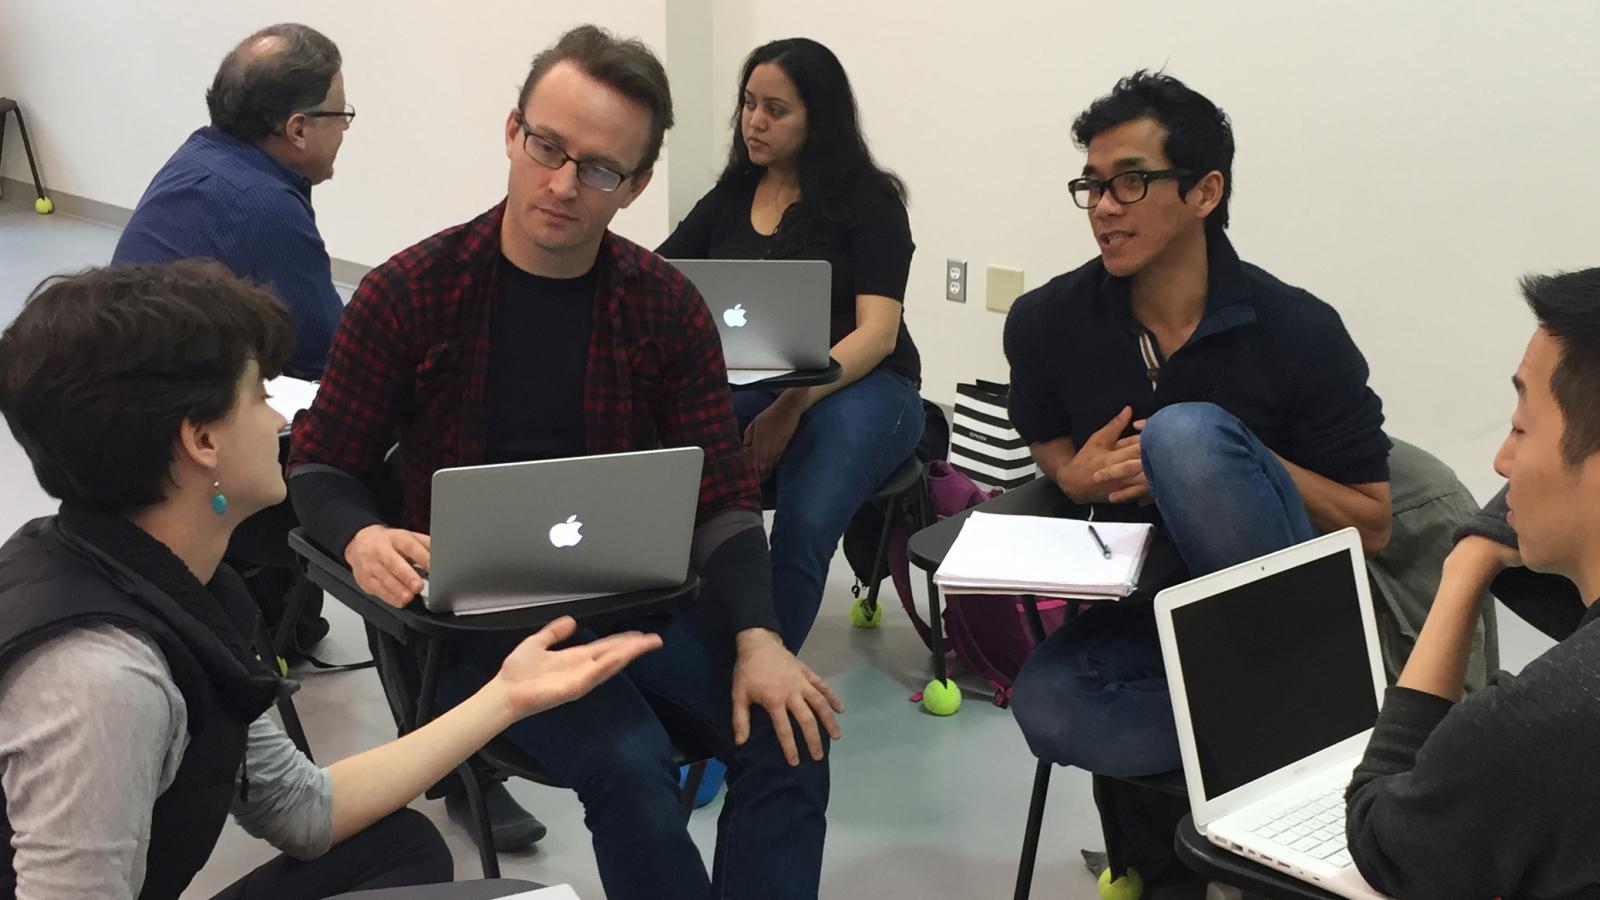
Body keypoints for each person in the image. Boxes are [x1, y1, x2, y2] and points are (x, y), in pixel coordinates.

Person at [287, 25, 840, 900]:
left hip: (641, 604)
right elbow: (320, 466)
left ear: (637, 185)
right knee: (630, 765)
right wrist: (359, 538)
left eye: (599, 169)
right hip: (480, 629)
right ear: (513, 133)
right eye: (548, 147)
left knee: (791, 730)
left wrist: (759, 636)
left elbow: (726, 502)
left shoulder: (664, 307)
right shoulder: (411, 292)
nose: (561, 183)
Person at [0, 261, 661, 900]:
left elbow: (301, 810)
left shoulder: (183, 586)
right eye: (261, 397)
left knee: (399, 848)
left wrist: (505, 697)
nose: (283, 422)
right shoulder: (103, 682)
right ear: (202, 442)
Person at [1001, 71, 1392, 887]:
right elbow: (1045, 441)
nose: (1105, 206)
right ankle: (1297, 742)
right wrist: (1073, 474)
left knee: (1185, 435)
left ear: (1206, 191)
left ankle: (1288, 731)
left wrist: (1233, 452)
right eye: (1093, 186)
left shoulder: (1299, 331)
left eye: (1131, 182)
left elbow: (1375, 521)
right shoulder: (1047, 322)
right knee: (1049, 706)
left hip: (1282, 616)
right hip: (1148, 619)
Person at [657, 37, 924, 651]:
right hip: (760, 378)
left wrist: (793, 405)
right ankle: (689, 656)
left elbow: (877, 336)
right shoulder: (731, 196)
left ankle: (761, 680)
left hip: (867, 384)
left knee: (804, 522)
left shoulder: (870, 203)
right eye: (749, 104)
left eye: (775, 109)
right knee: (679, 469)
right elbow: (659, 277)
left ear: (818, 118)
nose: (755, 121)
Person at [1346, 267, 1600, 898]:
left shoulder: (1541, 723)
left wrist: (1462, 572)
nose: (1501, 462)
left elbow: (1382, 836)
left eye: (1521, 426)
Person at [112, 23, 350, 380]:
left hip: (122, 375)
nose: (345, 127)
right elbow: (327, 356)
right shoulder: (266, 205)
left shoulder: (199, 153)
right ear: (297, 129)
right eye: (340, 114)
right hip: (170, 407)